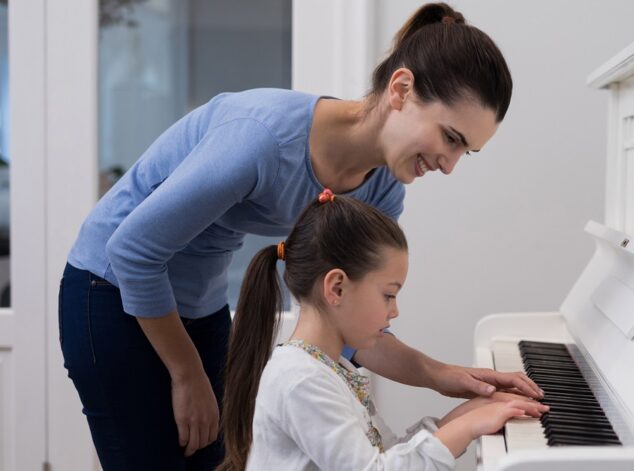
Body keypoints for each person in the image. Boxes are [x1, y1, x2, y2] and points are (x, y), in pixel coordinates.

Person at [58, 2, 540, 470]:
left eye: (466, 151)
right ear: (401, 89)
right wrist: (188, 374)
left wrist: (446, 377)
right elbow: (132, 251)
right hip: (111, 289)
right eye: (451, 138)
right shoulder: (261, 139)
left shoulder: (382, 188)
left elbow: (350, 322)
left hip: (196, 303)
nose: (450, 165)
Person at [218, 191, 548, 470]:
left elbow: (385, 456)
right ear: (337, 288)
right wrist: (468, 427)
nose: (394, 311)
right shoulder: (301, 380)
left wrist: (465, 414)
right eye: (388, 295)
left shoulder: (329, 368)